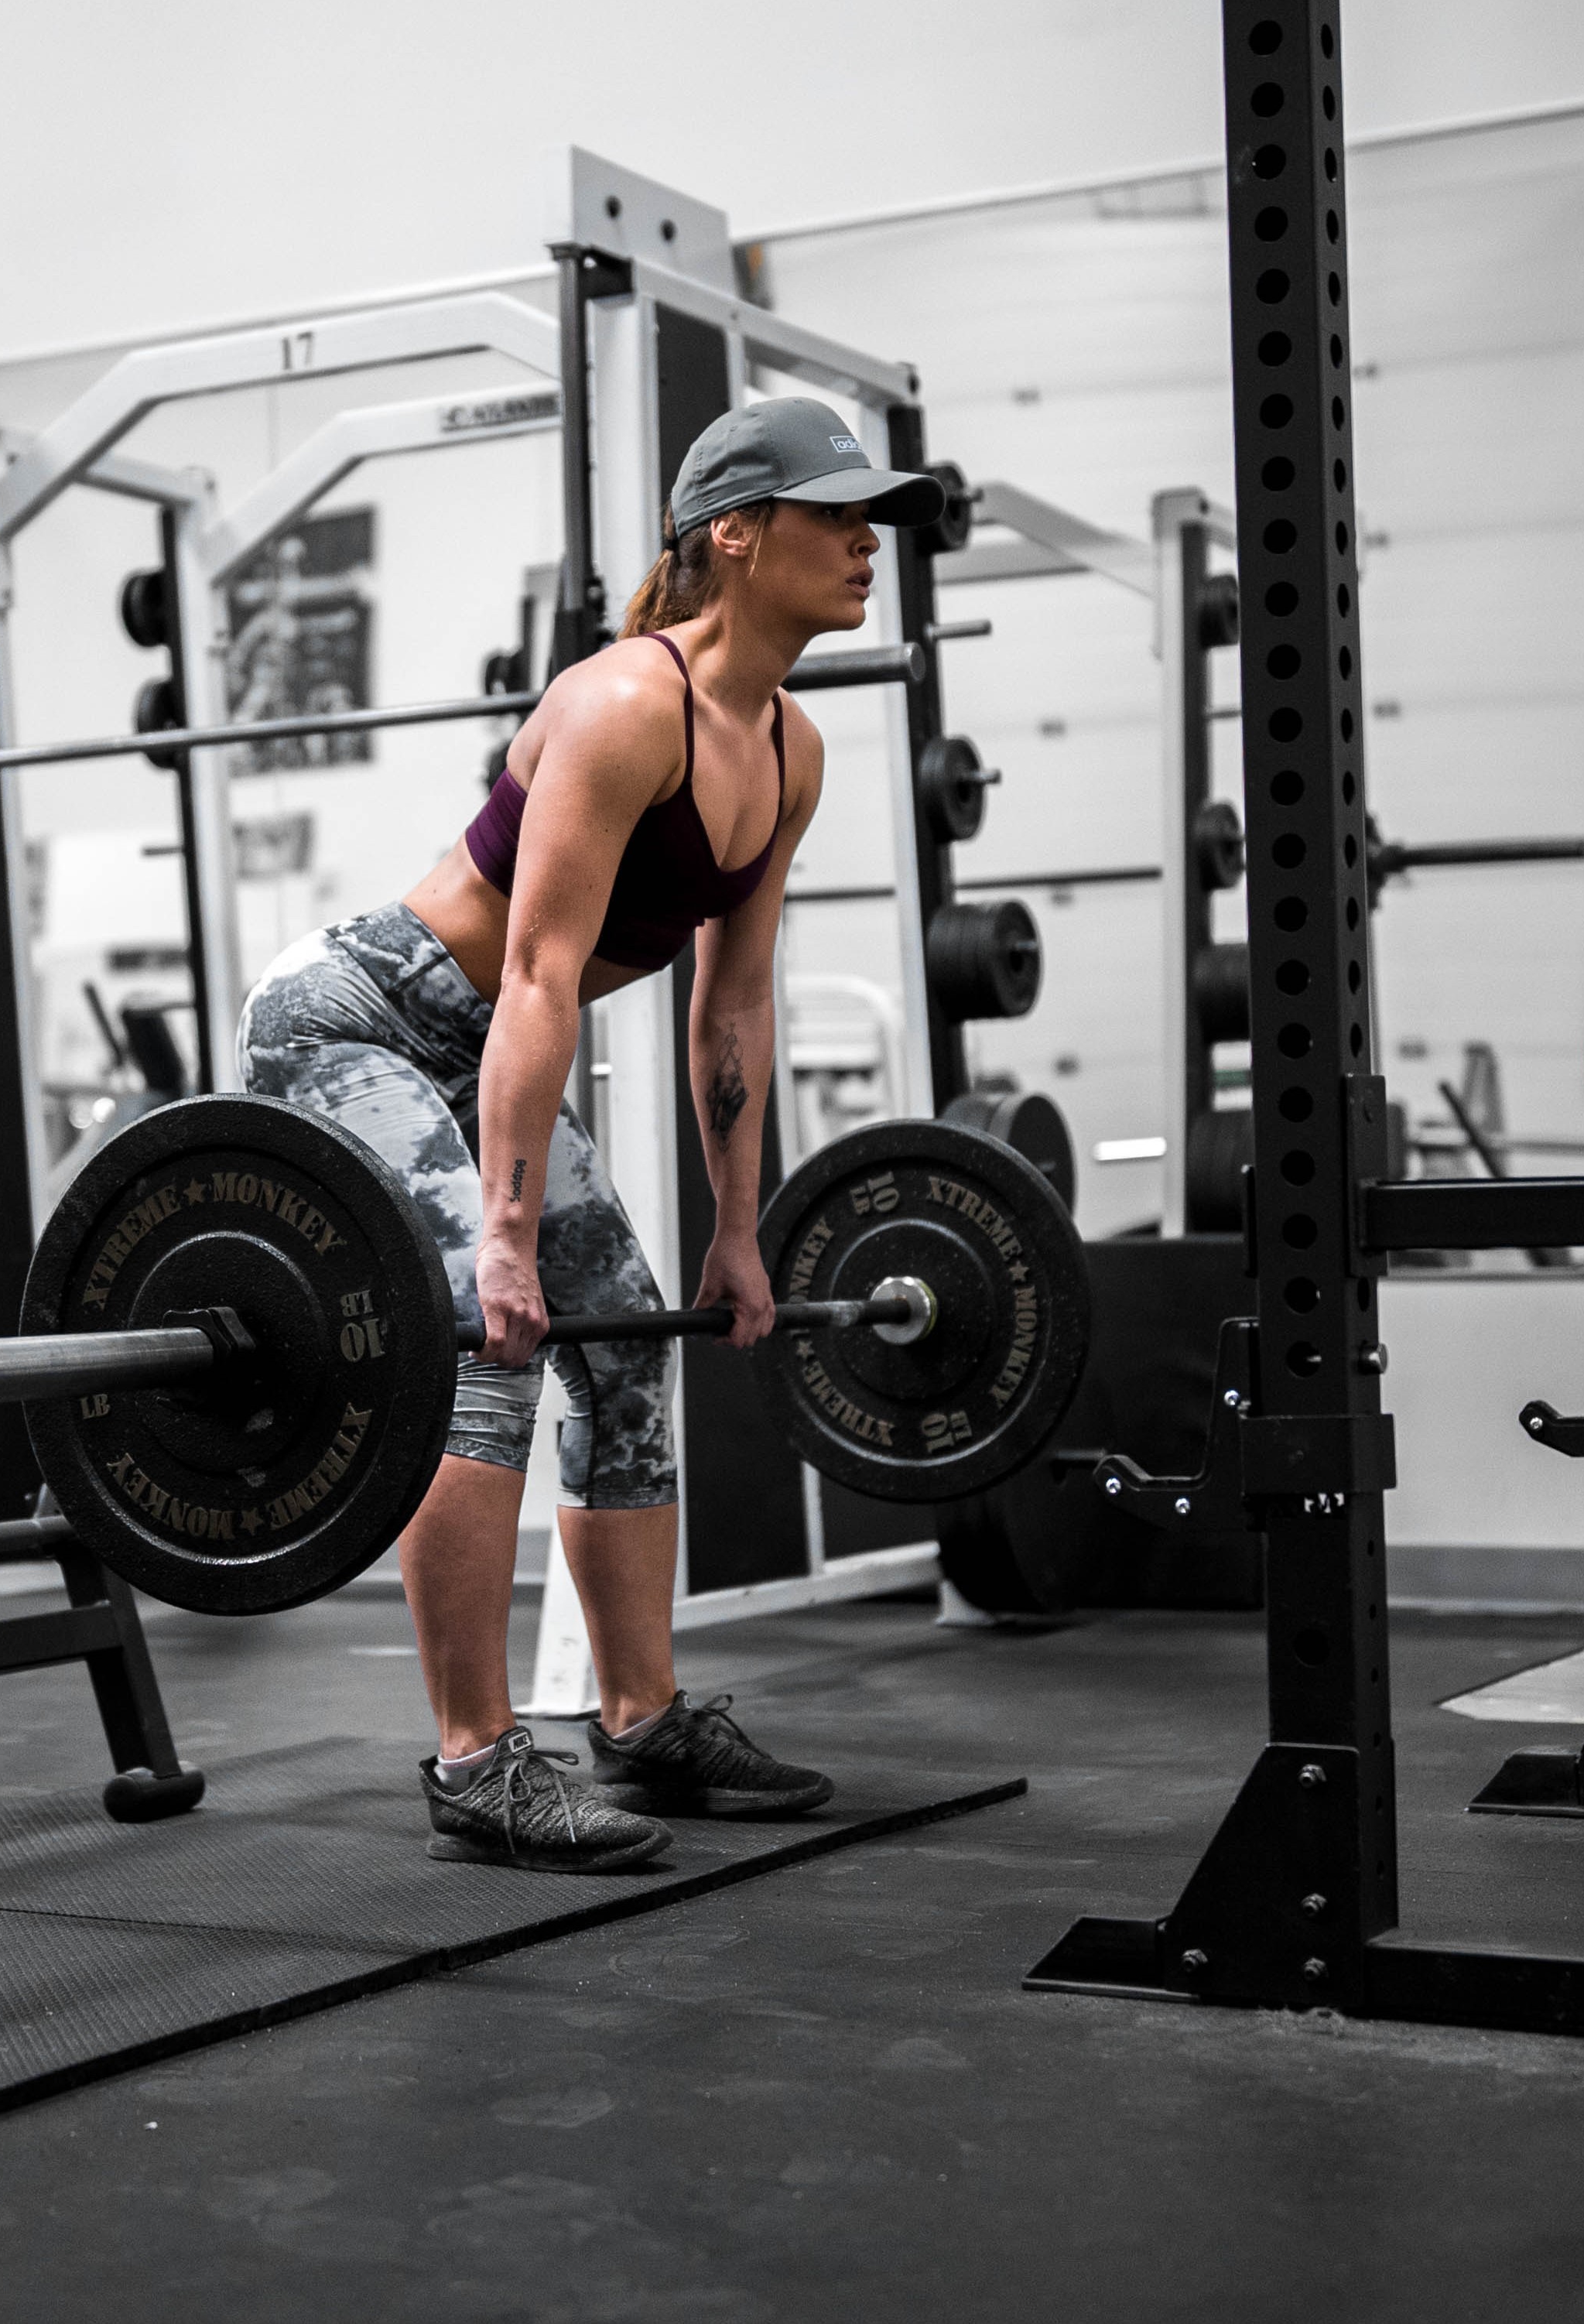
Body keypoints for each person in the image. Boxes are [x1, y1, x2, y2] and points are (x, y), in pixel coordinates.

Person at [240, 399, 943, 1871]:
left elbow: (730, 1010)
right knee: (484, 1353)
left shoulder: (787, 749)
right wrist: (498, 1240)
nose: (866, 540)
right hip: (360, 1021)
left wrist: (738, 1229)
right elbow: (543, 977)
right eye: (834, 513)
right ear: (732, 534)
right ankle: (477, 1760)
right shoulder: (630, 704)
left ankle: (638, 1719)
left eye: (870, 515)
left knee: (622, 1338)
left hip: (481, 1042)